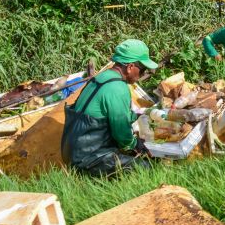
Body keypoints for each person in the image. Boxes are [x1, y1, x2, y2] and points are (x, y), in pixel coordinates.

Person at [61, 39, 159, 177]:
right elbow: (122, 134)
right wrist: (136, 145)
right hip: (89, 158)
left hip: (71, 152)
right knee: (147, 168)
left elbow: (108, 114)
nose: (142, 74)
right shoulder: (118, 88)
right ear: (130, 67)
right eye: (142, 70)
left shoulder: (102, 77)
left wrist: (135, 116)